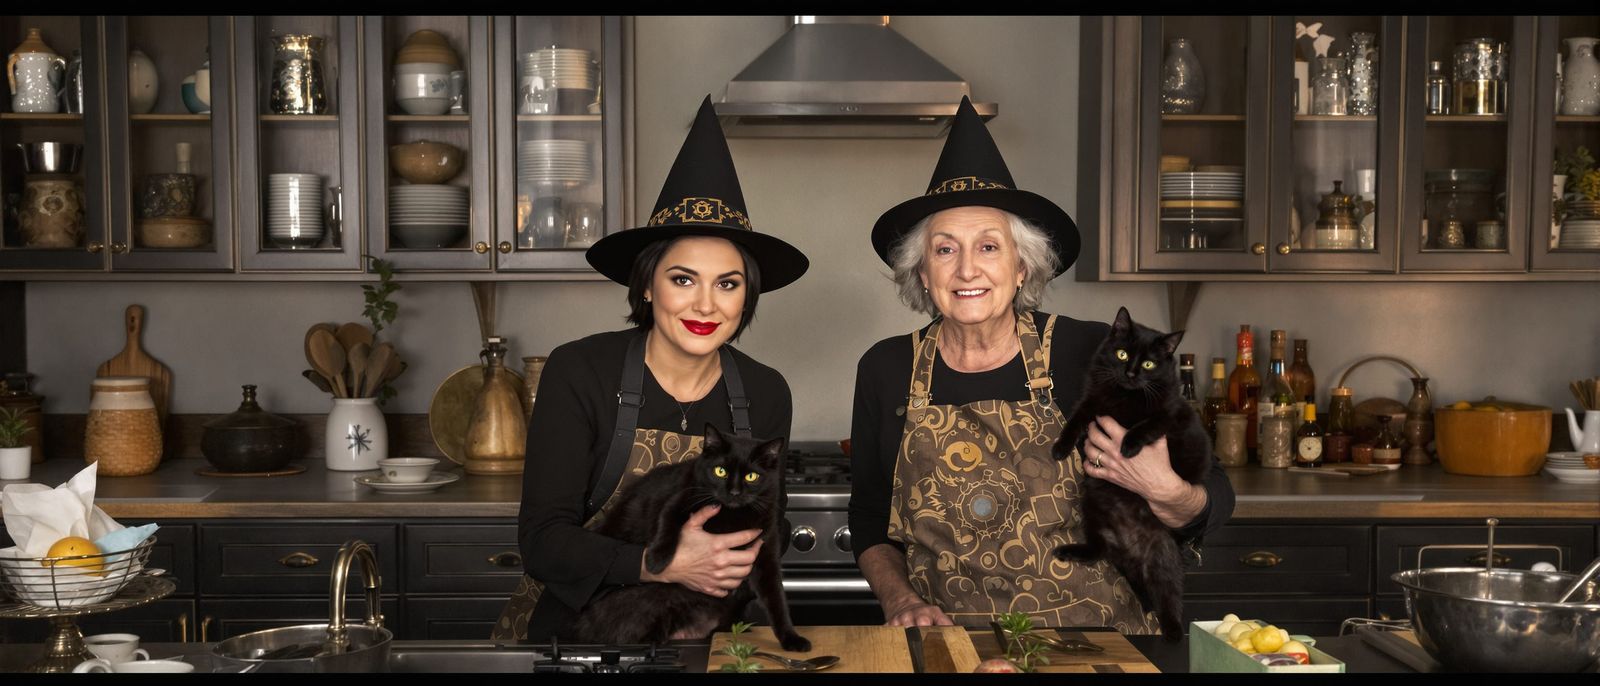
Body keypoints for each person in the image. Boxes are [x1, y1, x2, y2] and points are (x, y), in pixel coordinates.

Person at [848, 97, 1235, 633]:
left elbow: (1213, 493)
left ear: (1022, 266)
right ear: (922, 270)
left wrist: (1170, 493)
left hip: (1098, 640)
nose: (966, 270)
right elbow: (870, 518)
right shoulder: (887, 367)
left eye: (988, 246)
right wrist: (898, 601)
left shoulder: (1089, 351)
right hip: (948, 641)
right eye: (944, 250)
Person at [493, 97, 809, 641]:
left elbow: (768, 521)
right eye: (683, 280)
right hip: (578, 633)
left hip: (700, 629)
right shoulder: (580, 370)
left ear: (746, 297)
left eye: (727, 284)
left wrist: (720, 578)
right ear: (646, 285)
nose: (705, 305)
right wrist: (659, 563)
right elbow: (543, 542)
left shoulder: (763, 390)